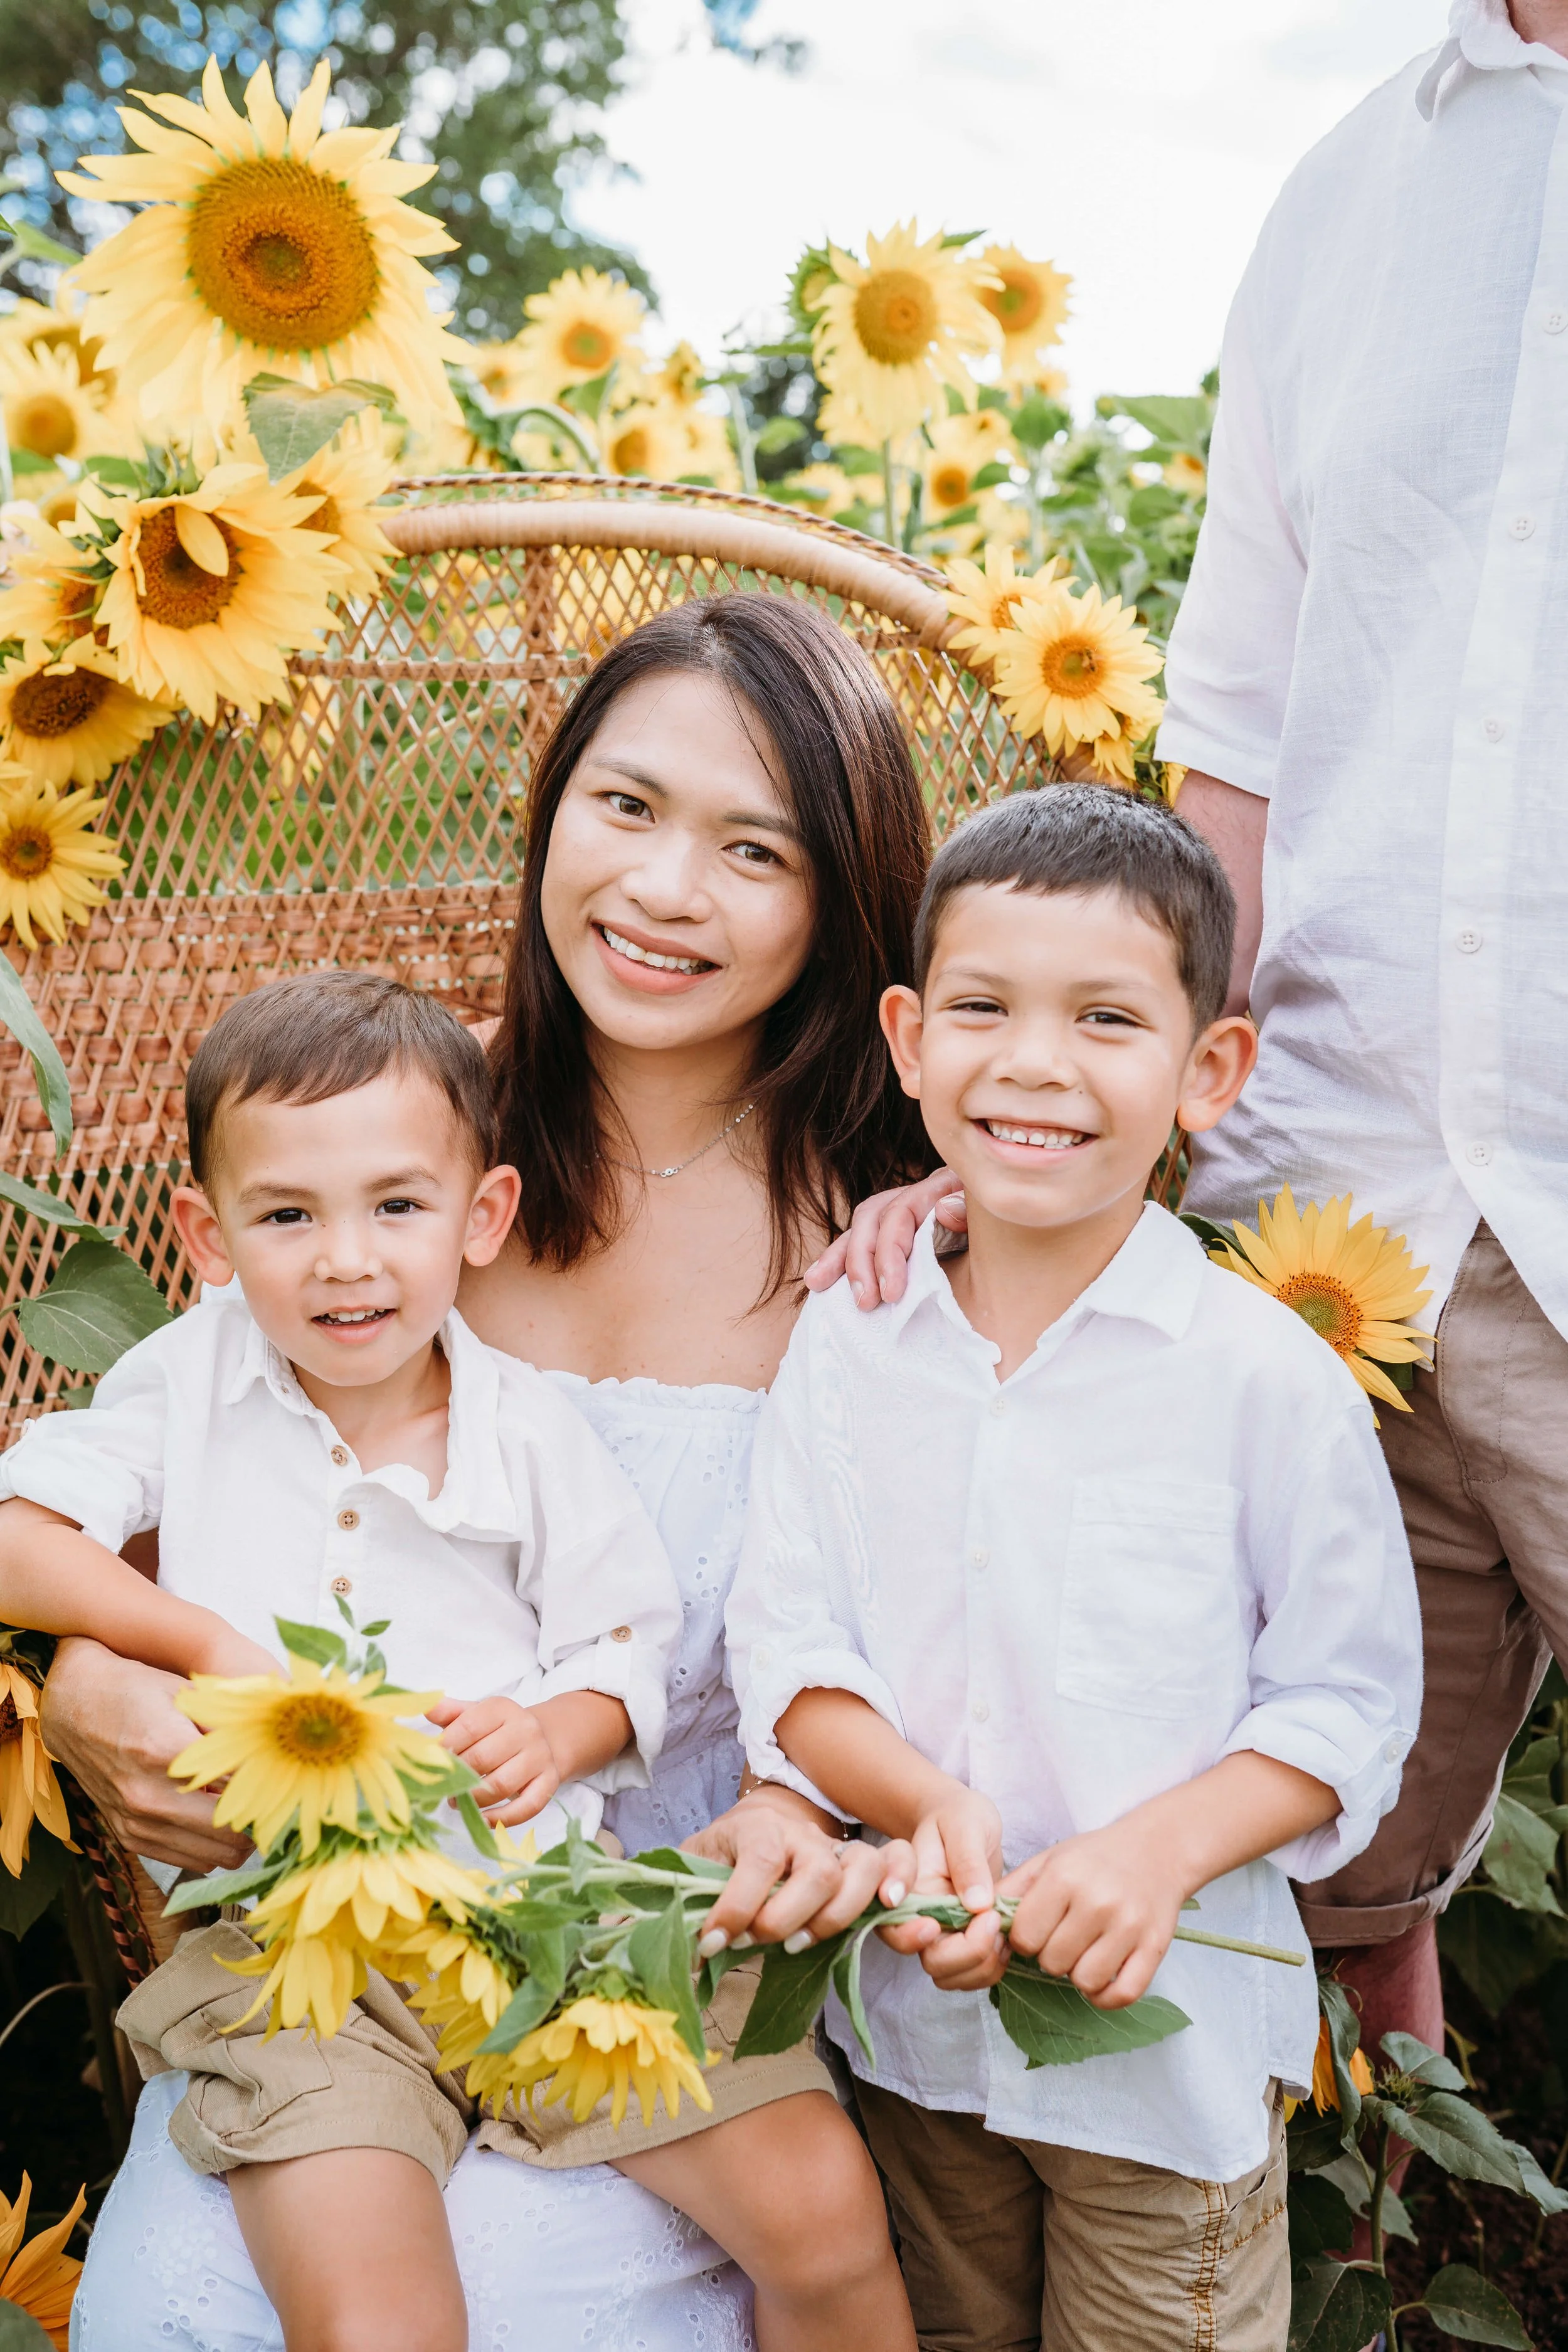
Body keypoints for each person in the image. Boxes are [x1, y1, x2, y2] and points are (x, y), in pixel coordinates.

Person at [813, 0, 1568, 2075]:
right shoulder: (1355, 194)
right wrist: (1078, 1155)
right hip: (1332, 1194)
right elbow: (1233, 732)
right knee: (1325, 1865)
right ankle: (1397, 2240)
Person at [53, 593, 930, 2351]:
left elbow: (982, 1623)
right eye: (624, 806)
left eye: (751, 846)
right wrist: (98, 1688)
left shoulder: (899, 1238)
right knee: (201, 2290)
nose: (664, 887)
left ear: (840, 895)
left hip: (648, 1928)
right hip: (322, 1931)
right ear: (551, 818)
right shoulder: (385, 1147)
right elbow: (178, 1493)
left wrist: (817, 1811)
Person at [728, 786, 1422, 2352]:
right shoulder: (847, 1344)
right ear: (908, 1041)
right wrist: (922, 1805)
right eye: (983, 1008)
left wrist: (1157, 1852)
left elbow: (1345, 1700)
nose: (1034, 1062)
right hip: (913, 2031)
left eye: (1105, 1017)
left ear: (1207, 1072)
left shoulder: (1257, 1377)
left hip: (1156, 2076)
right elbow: (789, 1646)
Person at [0, 970, 689, 2352]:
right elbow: (15, 1535)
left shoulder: (526, 1429)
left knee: (820, 2219)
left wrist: (557, 1732)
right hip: (289, 1943)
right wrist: (201, 1642)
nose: (346, 1260)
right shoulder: (189, 1385)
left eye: (395, 1207)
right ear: (205, 1230)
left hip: (534, 1928)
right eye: (286, 1216)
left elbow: (629, 1642)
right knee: (374, 2315)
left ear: (480, 1215)